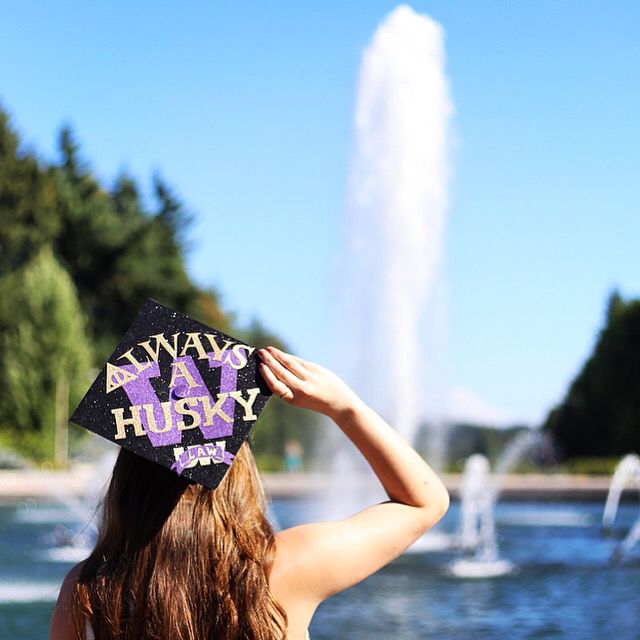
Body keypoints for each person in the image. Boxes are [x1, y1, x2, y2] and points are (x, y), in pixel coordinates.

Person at [49, 345, 449, 640]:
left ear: (128, 479)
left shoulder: (87, 592)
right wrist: (346, 408)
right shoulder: (283, 570)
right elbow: (424, 502)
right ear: (235, 470)